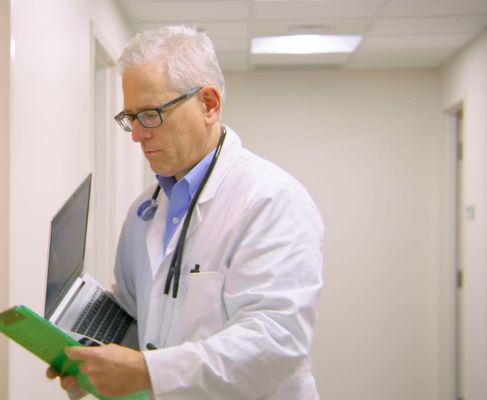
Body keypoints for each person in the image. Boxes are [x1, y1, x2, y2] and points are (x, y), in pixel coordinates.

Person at [47, 25, 324, 400]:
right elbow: (137, 315)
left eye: (150, 115)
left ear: (208, 104)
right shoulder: (144, 211)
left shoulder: (271, 200)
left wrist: (148, 371)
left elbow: (277, 342)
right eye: (131, 117)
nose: (137, 135)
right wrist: (95, 360)